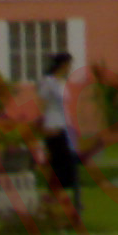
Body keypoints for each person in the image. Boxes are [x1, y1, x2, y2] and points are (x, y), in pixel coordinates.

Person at [39, 52, 84, 222]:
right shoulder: (48, 82)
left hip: (64, 125)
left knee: (68, 163)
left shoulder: (62, 83)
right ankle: (53, 198)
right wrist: (44, 125)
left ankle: (64, 200)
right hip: (53, 126)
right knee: (59, 163)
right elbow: (42, 104)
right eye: (68, 65)